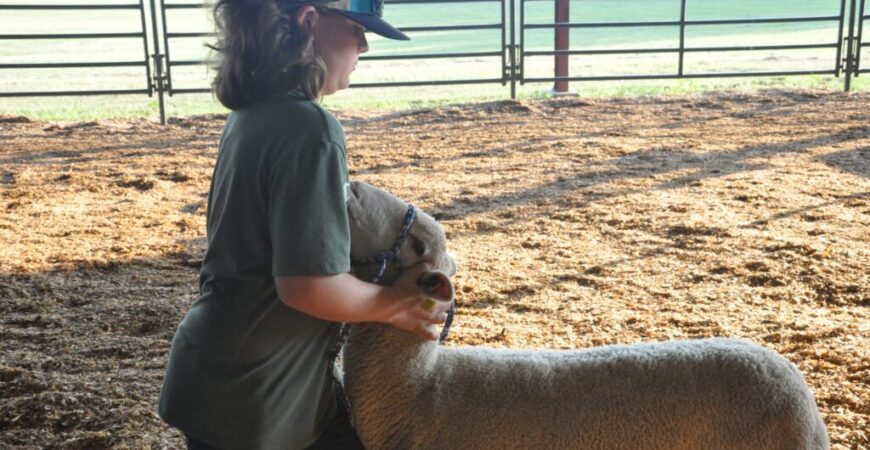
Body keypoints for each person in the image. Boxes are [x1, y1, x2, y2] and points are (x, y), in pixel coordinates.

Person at [158, 1, 451, 448]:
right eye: (355, 29)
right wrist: (396, 305)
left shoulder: (253, 114)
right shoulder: (311, 128)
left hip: (236, 375)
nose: (364, 46)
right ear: (308, 21)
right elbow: (308, 286)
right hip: (257, 391)